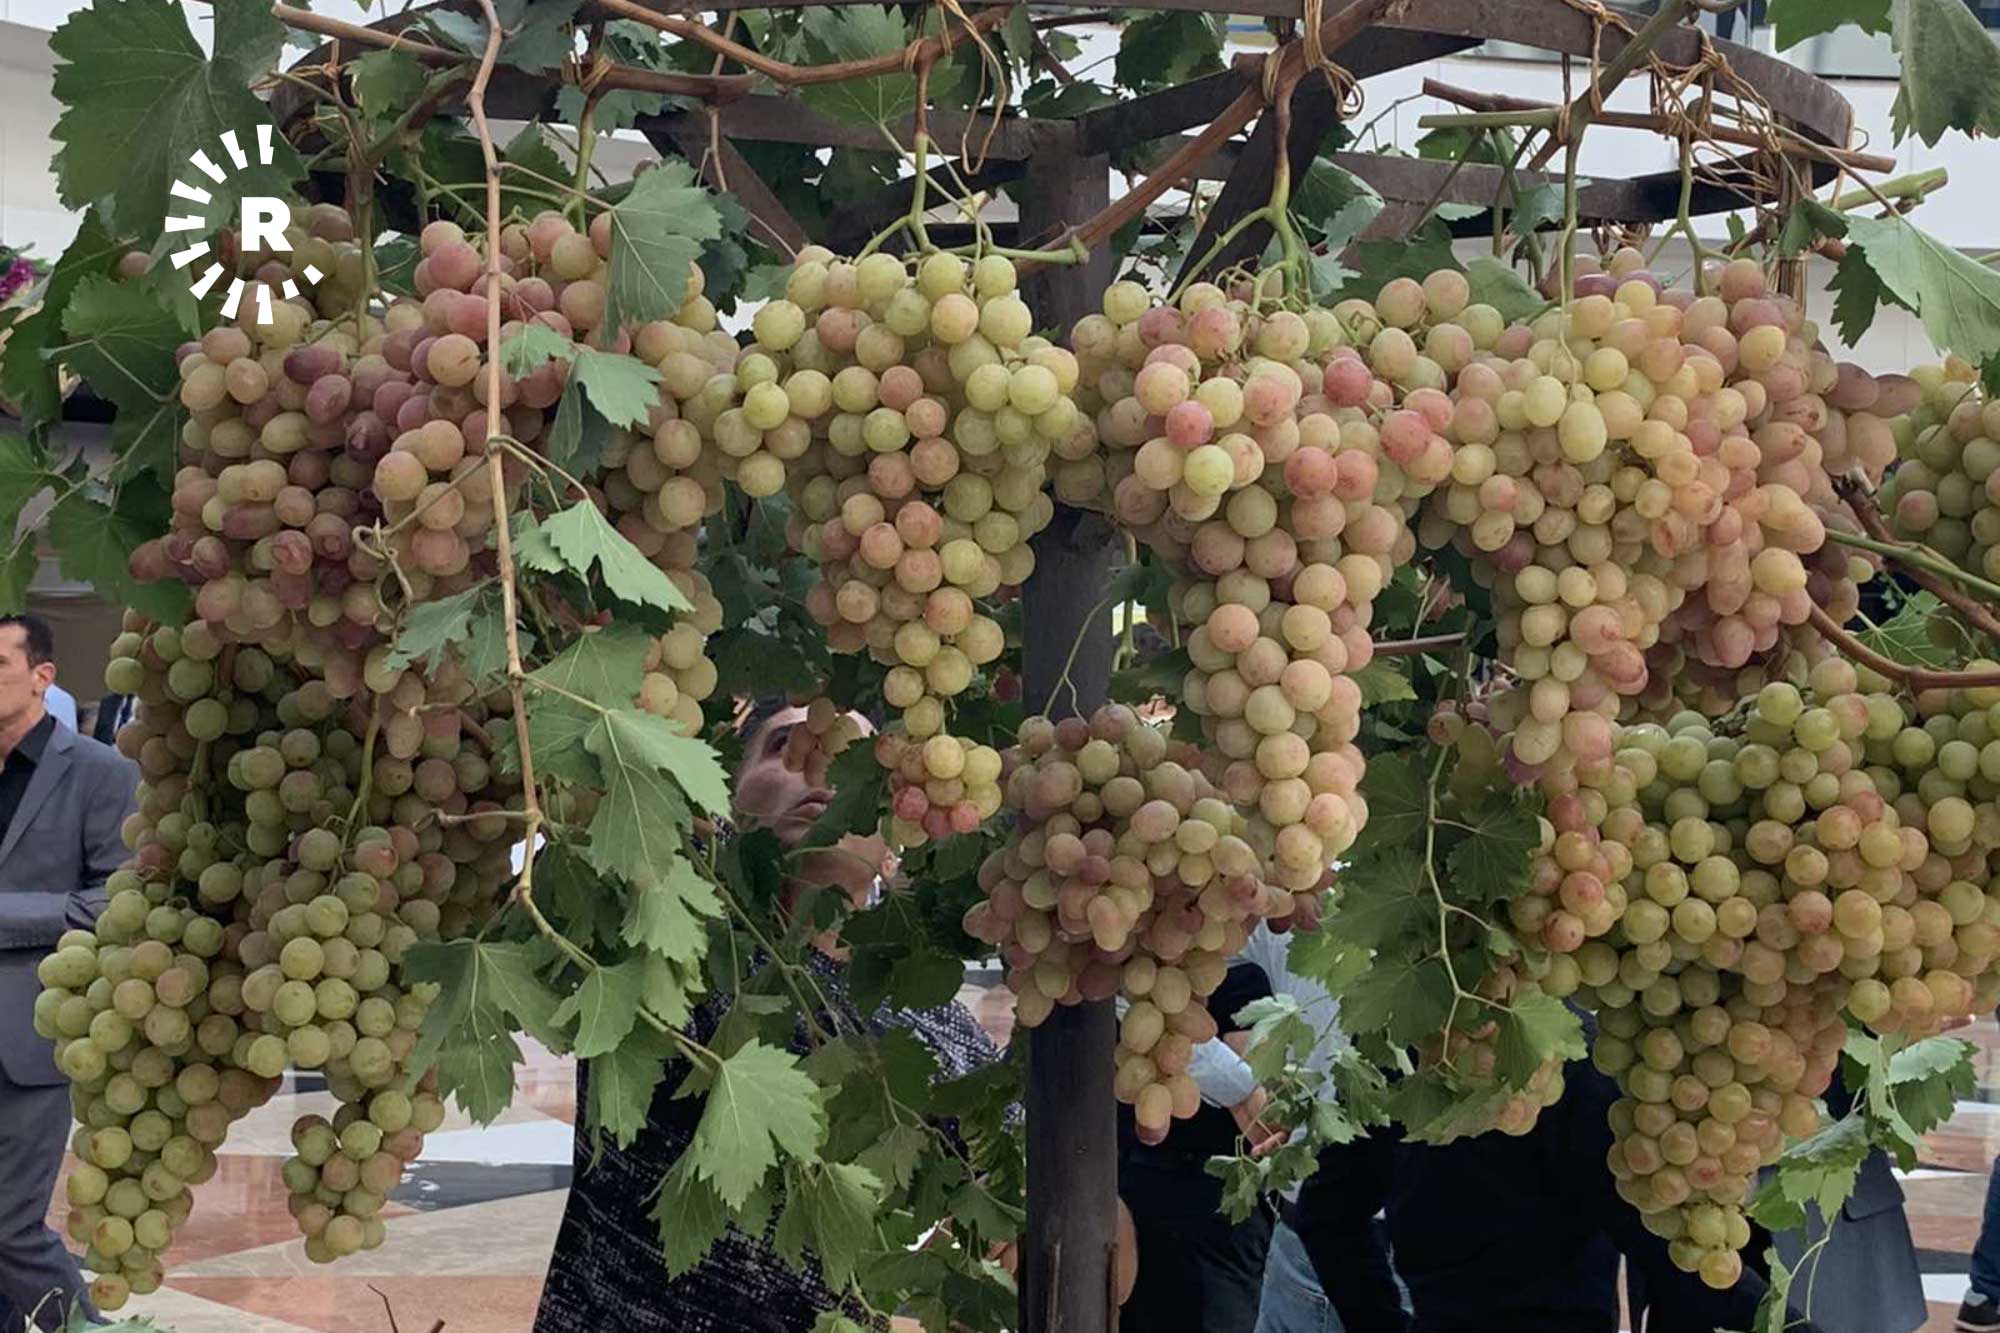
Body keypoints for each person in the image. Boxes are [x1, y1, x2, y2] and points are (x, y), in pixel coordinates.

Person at [535, 698, 1048, 1332]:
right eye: (786, 747)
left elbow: (1022, 1189)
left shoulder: (939, 1024)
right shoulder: (661, 930)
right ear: (724, 798)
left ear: (896, 840)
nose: (820, 766)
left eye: (855, 760)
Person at [0, 613, 138, 1330]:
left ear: (41, 677)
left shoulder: (100, 772)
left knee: (11, 1228)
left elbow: (114, 903)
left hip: (30, 1037)